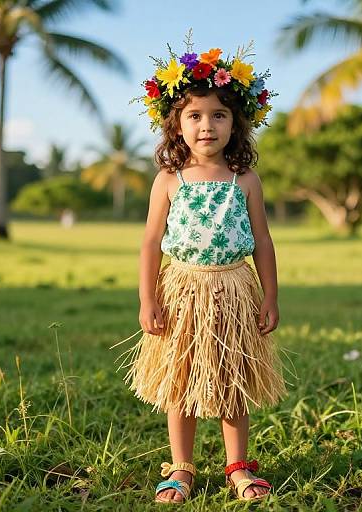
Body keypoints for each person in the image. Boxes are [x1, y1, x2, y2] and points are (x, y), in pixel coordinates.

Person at [113, 38, 287, 504]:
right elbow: (151, 242)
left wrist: (270, 296)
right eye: (194, 115)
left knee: (231, 379)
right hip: (182, 291)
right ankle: (182, 468)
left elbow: (263, 241)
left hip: (233, 289)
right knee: (181, 382)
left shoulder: (244, 180)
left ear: (236, 124)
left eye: (218, 115)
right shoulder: (168, 180)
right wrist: (147, 299)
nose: (206, 125)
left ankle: (237, 465)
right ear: (176, 125)